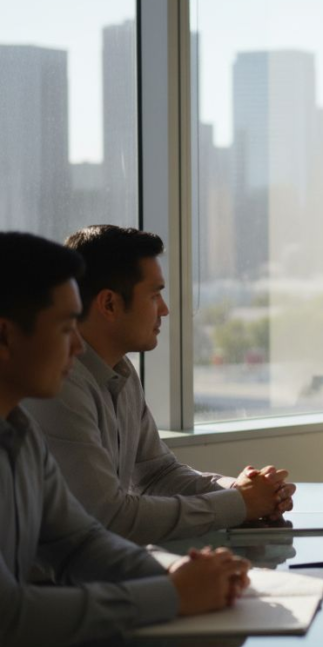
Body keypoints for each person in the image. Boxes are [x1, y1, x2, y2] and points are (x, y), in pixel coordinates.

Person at [0, 231, 251, 645]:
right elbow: (9, 617)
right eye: (66, 328)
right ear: (6, 336)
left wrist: (179, 575)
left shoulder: (20, 434)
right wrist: (170, 594)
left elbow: (78, 542)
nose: (79, 346)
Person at [23, 225, 295, 545]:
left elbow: (156, 474)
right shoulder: (58, 387)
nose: (164, 309)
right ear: (109, 304)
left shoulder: (121, 372)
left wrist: (239, 491)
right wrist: (238, 504)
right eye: (154, 295)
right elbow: (109, 518)